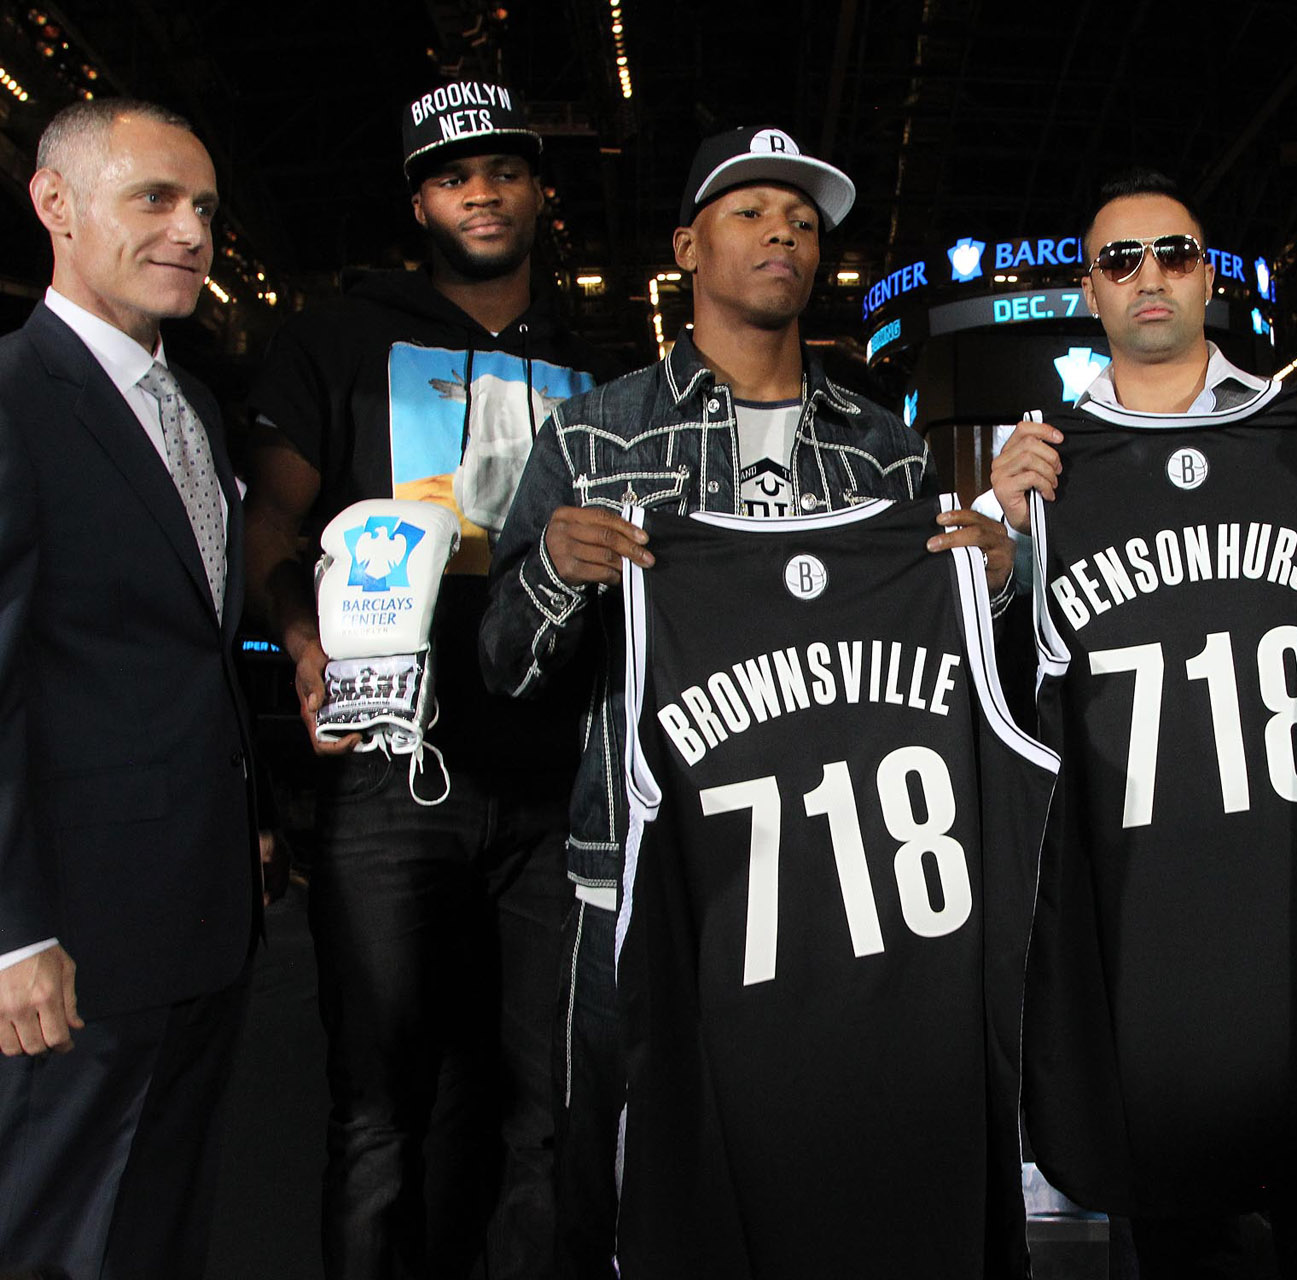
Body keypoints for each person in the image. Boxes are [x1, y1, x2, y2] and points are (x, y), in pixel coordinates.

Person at [478, 124, 1012, 1278]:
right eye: (752, 211)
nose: (785, 233)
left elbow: (951, 680)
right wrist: (553, 571)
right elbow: (505, 668)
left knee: (820, 1159)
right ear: (685, 246)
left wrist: (993, 584)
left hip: (838, 881)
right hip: (638, 877)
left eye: (805, 221)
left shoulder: (887, 451)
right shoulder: (594, 435)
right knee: (608, 1177)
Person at [992, 168, 1297, 1279]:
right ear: (1091, 289)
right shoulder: (1044, 475)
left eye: (1174, 252)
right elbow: (985, 690)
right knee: (1185, 1245)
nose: (1150, 275)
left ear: (1208, 274)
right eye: (1120, 259)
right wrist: (1002, 538)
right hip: (1149, 946)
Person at [243, 80, 611, 1279]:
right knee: (381, 1108)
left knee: (547, 1104)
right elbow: (269, 524)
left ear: (541, 190)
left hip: (556, 785)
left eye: (504, 170)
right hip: (390, 772)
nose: (482, 193)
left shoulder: (594, 364)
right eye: (454, 176)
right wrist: (303, 643)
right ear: (419, 203)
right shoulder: (338, 338)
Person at [0, 98, 259, 1278]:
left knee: (158, 1234)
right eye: (154, 198)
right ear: (54, 204)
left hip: (202, 922)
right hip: (71, 944)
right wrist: (13, 932)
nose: (191, 232)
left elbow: (183, 651)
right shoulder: (13, 395)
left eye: (203, 207)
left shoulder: (192, 407)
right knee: (60, 1240)